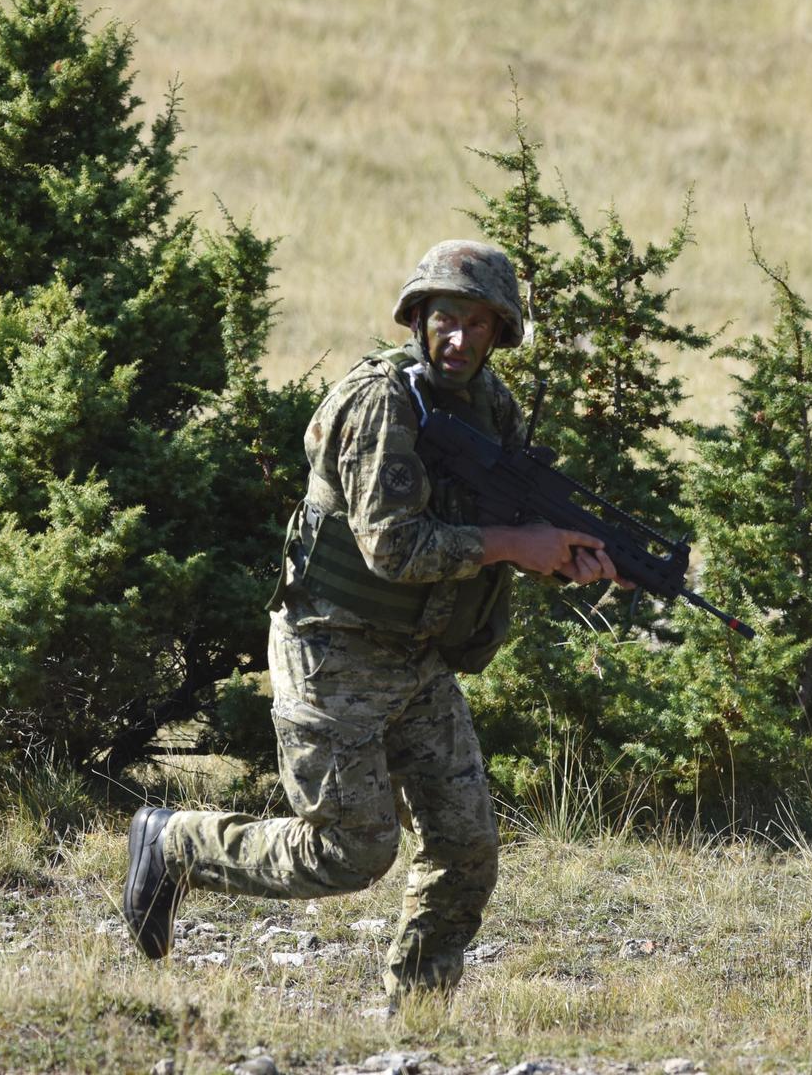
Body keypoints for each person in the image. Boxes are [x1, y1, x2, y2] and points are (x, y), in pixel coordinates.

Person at [121, 240, 623, 1002]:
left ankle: (414, 1015)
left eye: (478, 324)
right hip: (335, 651)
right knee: (349, 853)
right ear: (417, 317)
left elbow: (500, 525)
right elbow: (393, 547)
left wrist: (560, 556)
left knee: (465, 849)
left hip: (419, 655)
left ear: (500, 333)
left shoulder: (490, 406)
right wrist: (514, 544)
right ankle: (178, 844)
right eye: (446, 319)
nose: (459, 339)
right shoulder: (379, 402)